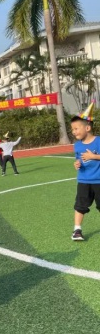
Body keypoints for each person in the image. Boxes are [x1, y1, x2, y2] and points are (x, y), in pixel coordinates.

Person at [71, 102, 100, 241]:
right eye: (72, 129)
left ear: (87, 128)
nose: (74, 131)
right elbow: (79, 159)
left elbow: (92, 157)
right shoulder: (77, 145)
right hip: (83, 181)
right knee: (80, 205)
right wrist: (77, 164)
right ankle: (77, 230)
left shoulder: (99, 141)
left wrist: (94, 156)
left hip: (99, 181)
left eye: (76, 128)